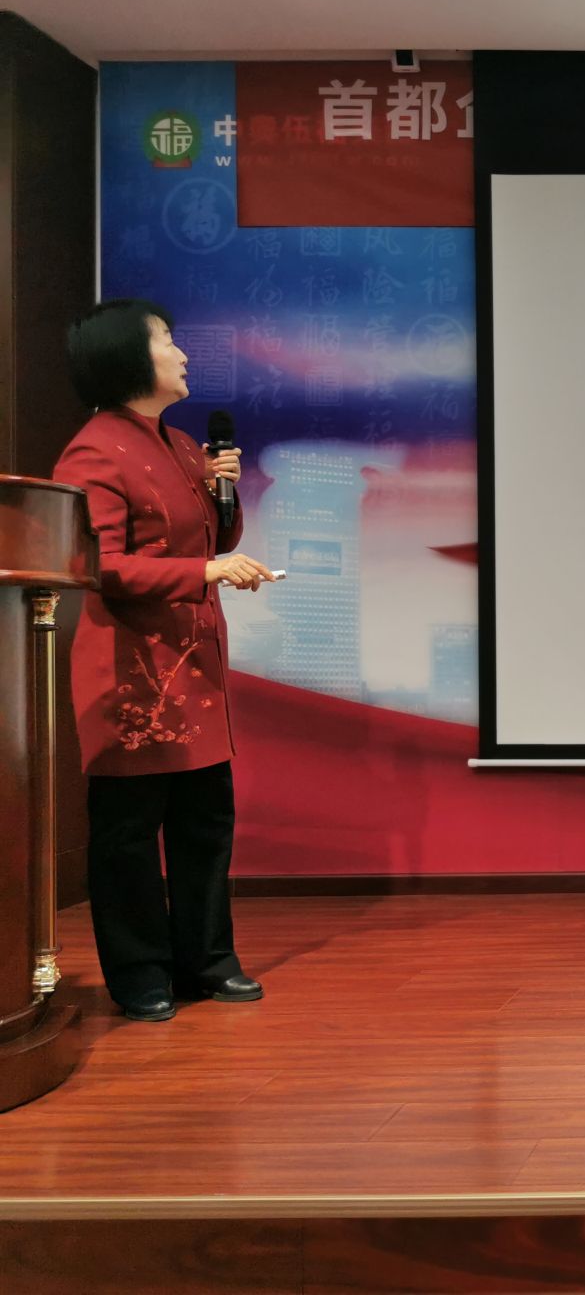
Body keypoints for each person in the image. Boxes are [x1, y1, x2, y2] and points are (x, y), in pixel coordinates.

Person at [52, 300, 276, 1022]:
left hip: (194, 664)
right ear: (127, 357)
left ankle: (207, 960)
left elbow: (212, 535)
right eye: (167, 342)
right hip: (132, 670)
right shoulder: (94, 451)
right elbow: (102, 566)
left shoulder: (179, 444)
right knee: (128, 834)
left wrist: (223, 492)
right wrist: (207, 571)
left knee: (205, 820)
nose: (181, 354)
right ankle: (140, 972)